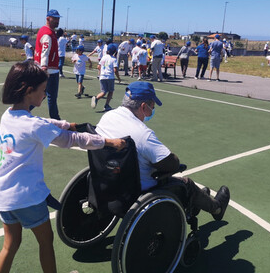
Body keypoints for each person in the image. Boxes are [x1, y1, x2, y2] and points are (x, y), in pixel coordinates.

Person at [0, 61, 125, 273]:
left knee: (10, 245)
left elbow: (42, 122)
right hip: (26, 197)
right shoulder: (33, 126)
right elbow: (72, 140)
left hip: (2, 194)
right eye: (43, 91)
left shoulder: (9, 115)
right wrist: (109, 142)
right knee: (46, 241)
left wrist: (66, 124)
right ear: (28, 91)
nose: (45, 95)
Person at [95, 81, 230, 223]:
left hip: (109, 182)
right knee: (186, 184)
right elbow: (171, 164)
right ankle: (217, 208)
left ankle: (198, 200)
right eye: (152, 106)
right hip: (137, 192)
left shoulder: (107, 117)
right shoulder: (142, 134)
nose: (153, 109)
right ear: (143, 107)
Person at [34, 9, 61, 120]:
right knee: (51, 97)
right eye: (54, 19)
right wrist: (44, 67)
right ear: (48, 18)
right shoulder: (48, 33)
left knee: (41, 95)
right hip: (50, 70)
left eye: (58, 19)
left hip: (45, 68)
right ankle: (56, 119)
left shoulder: (45, 31)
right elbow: (45, 50)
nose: (57, 21)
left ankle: (21, 111)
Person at [91, 44, 121, 111]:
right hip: (110, 77)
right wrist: (118, 78)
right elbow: (115, 70)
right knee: (110, 91)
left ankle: (96, 98)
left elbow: (98, 67)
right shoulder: (114, 59)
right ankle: (106, 105)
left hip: (102, 76)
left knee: (103, 92)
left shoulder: (103, 57)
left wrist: (100, 73)